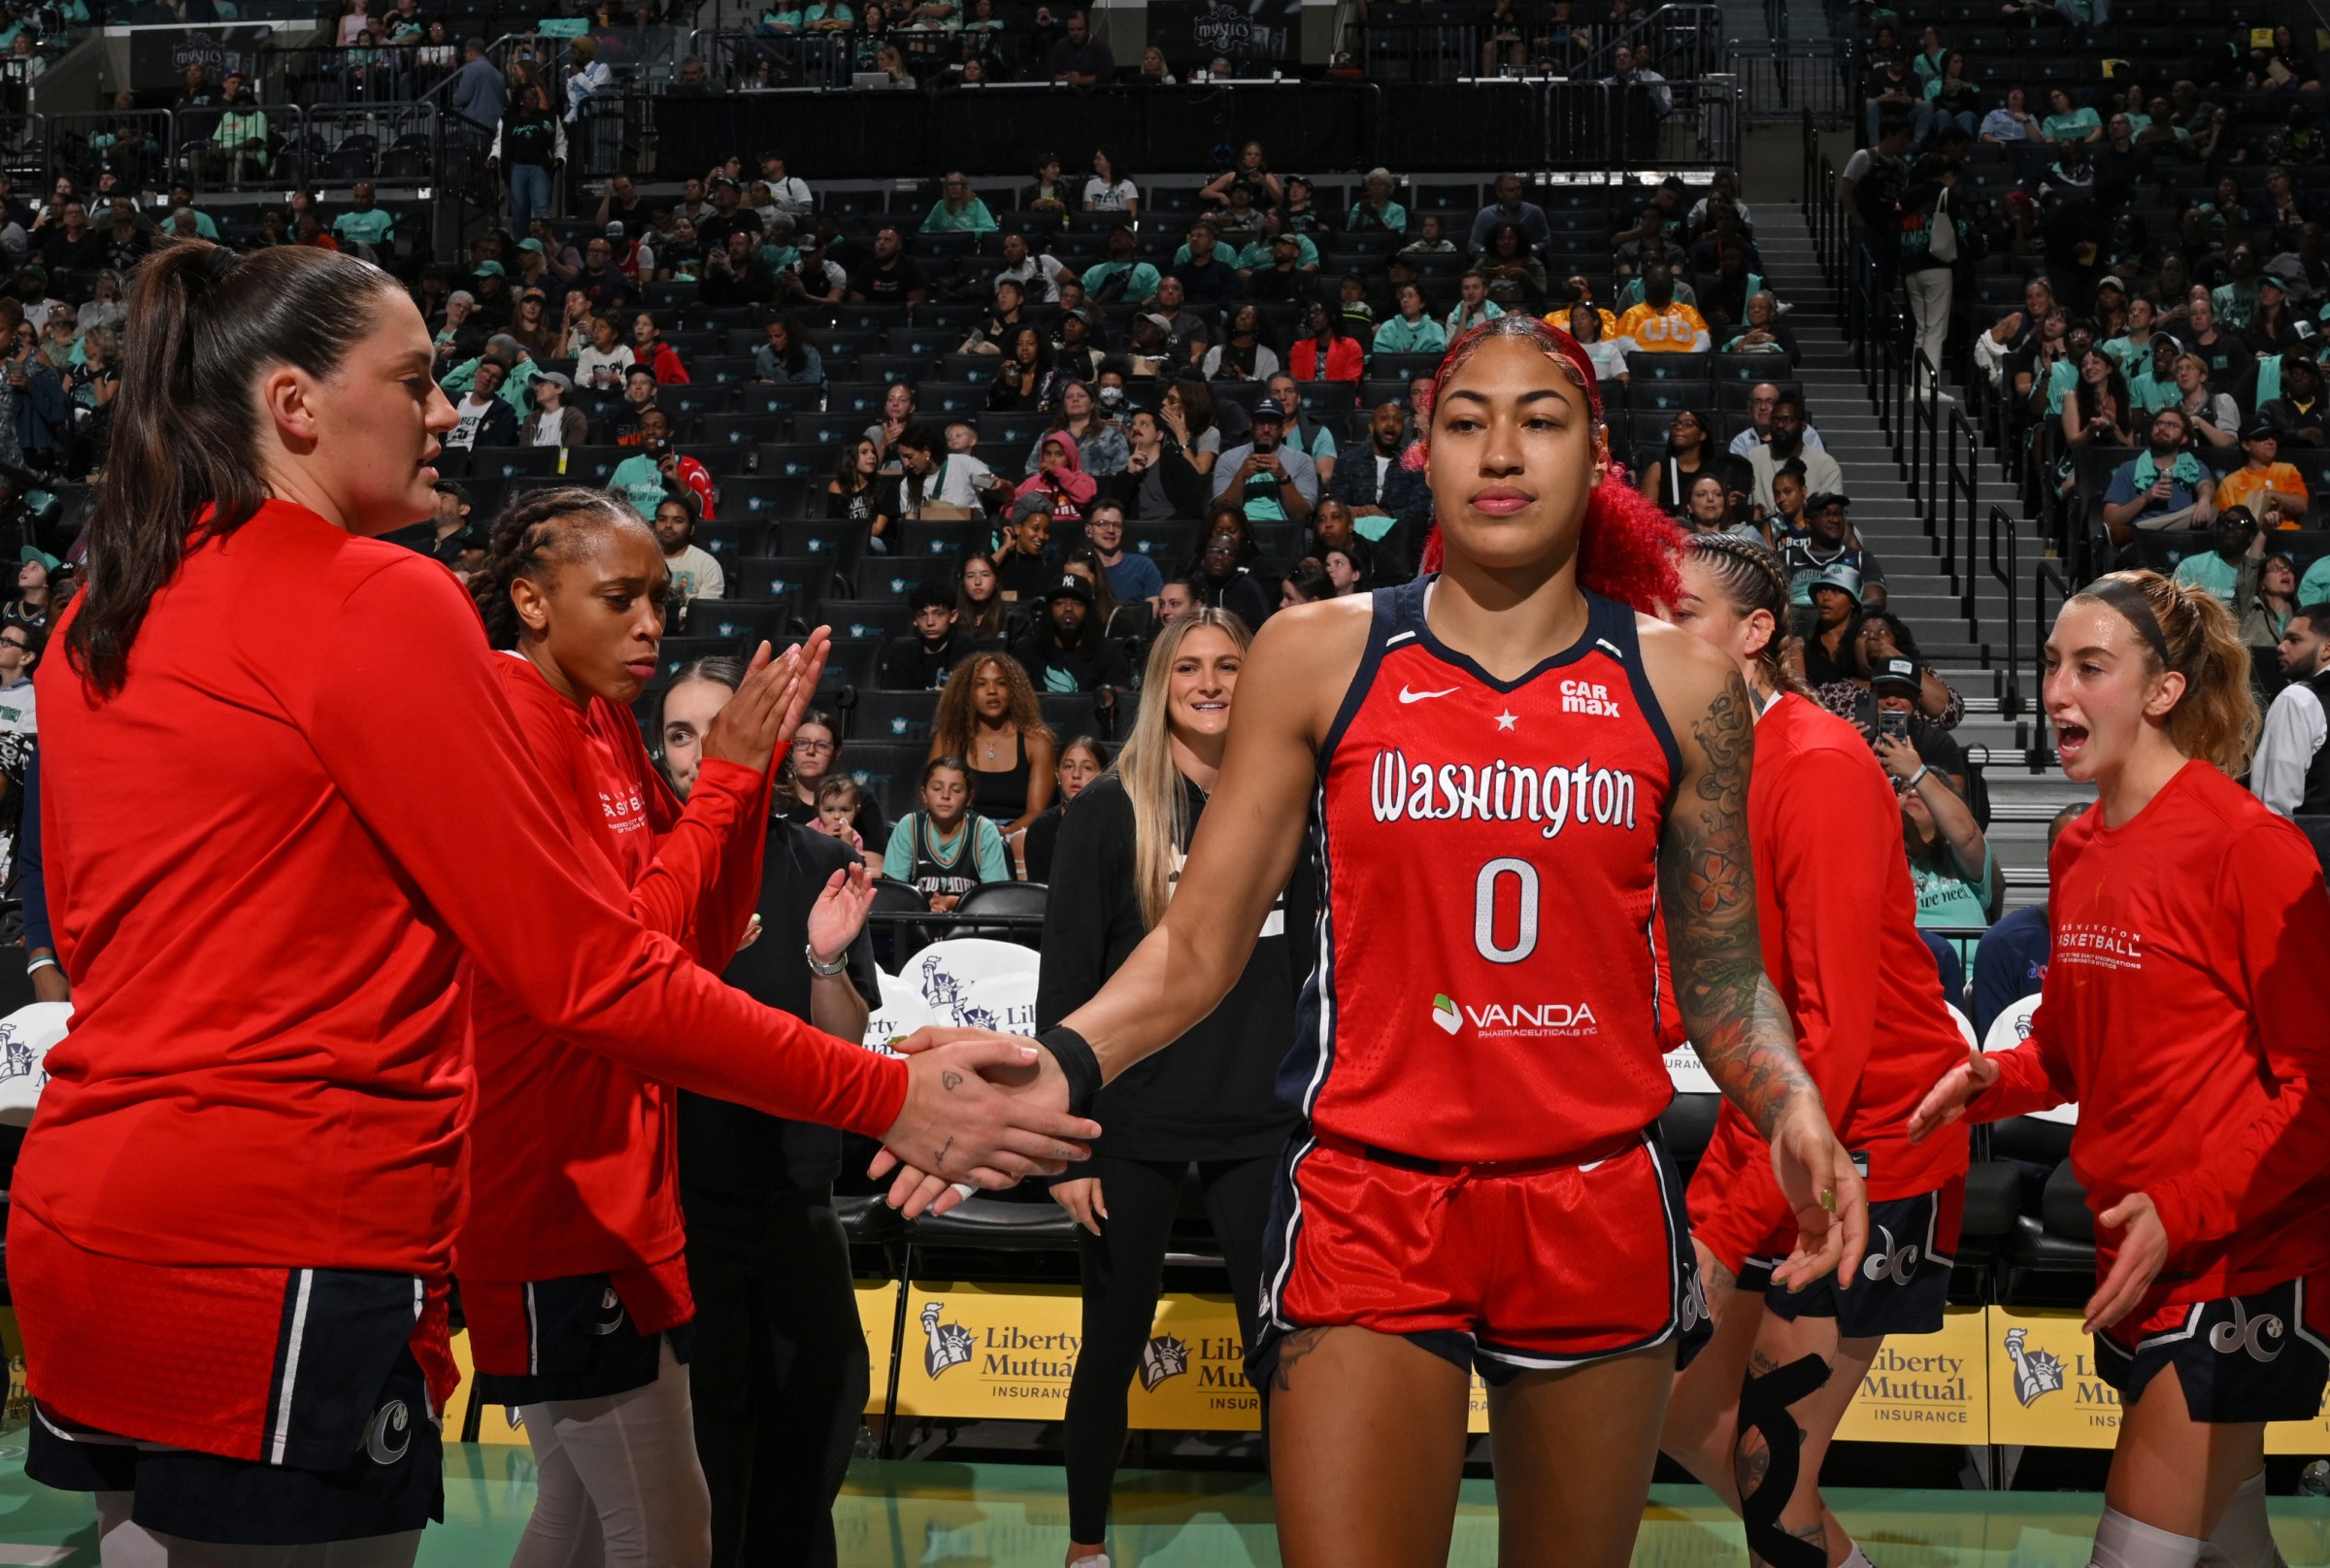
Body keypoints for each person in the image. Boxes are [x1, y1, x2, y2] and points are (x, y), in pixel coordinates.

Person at [14, 243, 1094, 1567]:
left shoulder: (95, 612)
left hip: (82, 1224)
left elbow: (78, 934)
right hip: (283, 1245)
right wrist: (890, 1094)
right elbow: (590, 971)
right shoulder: (375, 595)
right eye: (416, 381)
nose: (452, 410)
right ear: (296, 404)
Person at [874, 316, 1865, 1567]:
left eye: (1540, 420)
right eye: (1467, 421)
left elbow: (1725, 981)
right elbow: (1199, 945)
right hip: (1372, 1192)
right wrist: (1062, 1061)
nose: (1502, 450)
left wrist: (1789, 1101)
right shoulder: (1316, 650)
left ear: (1596, 453)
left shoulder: (1682, 683)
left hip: (1593, 1195)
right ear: (1426, 458)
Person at [1914, 569, 2330, 1568]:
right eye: (2054, 662)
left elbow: (2317, 1094)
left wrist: (2182, 1209)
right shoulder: (2081, 849)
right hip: (2133, 1250)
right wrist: (1987, 1082)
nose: (2057, 688)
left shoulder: (2252, 848)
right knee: (2230, 1543)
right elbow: (2064, 1051)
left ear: (2162, 691)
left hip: (2237, 1263)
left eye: (2090, 666)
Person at [454, 489, 820, 1566]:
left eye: (661, 598)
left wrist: (743, 785)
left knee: (573, 1518)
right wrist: (727, 782)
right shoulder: (512, 718)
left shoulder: (603, 710)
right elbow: (616, 964)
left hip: (622, 1170)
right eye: (620, 598)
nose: (653, 622)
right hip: (551, 1186)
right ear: (531, 599)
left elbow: (702, 934)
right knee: (668, 1530)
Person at [1659, 533, 1970, 1568]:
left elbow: (1835, 1030)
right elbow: (1683, 982)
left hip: (1873, 1138)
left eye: (1679, 611)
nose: (1654, 634)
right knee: (1681, 1417)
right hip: (1779, 1125)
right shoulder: (1698, 773)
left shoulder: (1822, 764)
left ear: (1754, 634)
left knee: (1770, 1459)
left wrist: (1721, 1224)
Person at [1044, 610, 1296, 1567]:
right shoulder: (1108, 810)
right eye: (1188, 665)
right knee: (1110, 1337)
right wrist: (1071, 1142)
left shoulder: (1287, 802)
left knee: (1282, 1350)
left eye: (1230, 664)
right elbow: (1064, 984)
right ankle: (1086, 1545)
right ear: (1160, 684)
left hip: (1261, 1119)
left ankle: (1308, 1537)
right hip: (1129, 1122)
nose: (1210, 680)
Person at [651, 660, 886, 1568]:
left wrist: (826, 963)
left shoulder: (820, 860)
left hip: (796, 1192)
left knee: (819, 1415)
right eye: (677, 732)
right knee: (706, 1449)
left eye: (718, 726)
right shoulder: (648, 867)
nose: (697, 749)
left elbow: (844, 1041)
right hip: (679, 1202)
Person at [930, 651, 1056, 849]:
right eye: (981, 684)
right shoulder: (950, 737)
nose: (992, 691)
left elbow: (1037, 812)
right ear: (967, 693)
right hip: (961, 834)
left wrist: (1003, 834)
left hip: (1017, 838)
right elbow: (932, 797)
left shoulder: (1037, 740)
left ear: (1014, 690)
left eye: (1001, 683)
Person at [883, 755, 1011, 908]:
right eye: (937, 788)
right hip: (916, 926)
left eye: (956, 790)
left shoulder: (984, 831)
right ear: (924, 793)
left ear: (969, 797)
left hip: (970, 927)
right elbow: (893, 896)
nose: (945, 796)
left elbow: (996, 899)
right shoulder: (908, 827)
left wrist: (954, 903)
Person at [2249, 600, 2330, 816]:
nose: (2281, 647)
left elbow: (2274, 806)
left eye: (2294, 640)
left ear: (2327, 648)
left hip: (2309, 844)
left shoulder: (2298, 699)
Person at [2103, 407, 2217, 543]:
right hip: (2143, 546)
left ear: (2184, 438)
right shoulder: (2129, 468)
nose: (2162, 428)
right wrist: (2146, 498)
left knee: (2212, 510)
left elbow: (2206, 484)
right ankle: (2142, 532)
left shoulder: (2192, 465)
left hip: (2183, 539)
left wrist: (2204, 499)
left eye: (2172, 425)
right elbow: (2110, 519)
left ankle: (2135, 531)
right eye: (2158, 423)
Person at [1012, 572, 1132, 702]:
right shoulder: (1025, 651)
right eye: (1059, 603)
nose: (1068, 608)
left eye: (1077, 603)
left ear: (1088, 611)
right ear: (1049, 610)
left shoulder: (1110, 653)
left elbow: (1118, 700)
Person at [1213, 398, 1317, 525]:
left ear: (1283, 426)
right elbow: (1222, 512)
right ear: (1251, 424)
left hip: (1286, 531)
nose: (1266, 429)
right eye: (1260, 423)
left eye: (1272, 423)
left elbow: (1301, 515)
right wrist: (1241, 476)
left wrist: (1283, 477)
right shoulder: (1228, 459)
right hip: (1241, 530)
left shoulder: (1302, 461)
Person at [1019, 733, 1104, 883]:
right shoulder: (1041, 829)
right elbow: (1039, 893)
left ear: (1102, 775)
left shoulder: (1114, 827)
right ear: (1058, 774)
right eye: (1068, 766)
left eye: (1087, 768)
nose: (1076, 775)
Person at [2213, 419, 2311, 527]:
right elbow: (2225, 523)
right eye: (2262, 437)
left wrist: (2271, 494)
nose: (2271, 441)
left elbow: (2302, 506)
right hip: (2249, 541)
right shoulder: (2230, 483)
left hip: (2288, 540)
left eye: (2273, 437)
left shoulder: (2287, 471)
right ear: (2246, 445)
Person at [880, 582, 965, 690]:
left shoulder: (967, 652)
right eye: (922, 615)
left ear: (953, 616)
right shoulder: (901, 655)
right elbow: (893, 702)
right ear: (914, 620)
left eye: (938, 614)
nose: (930, 622)